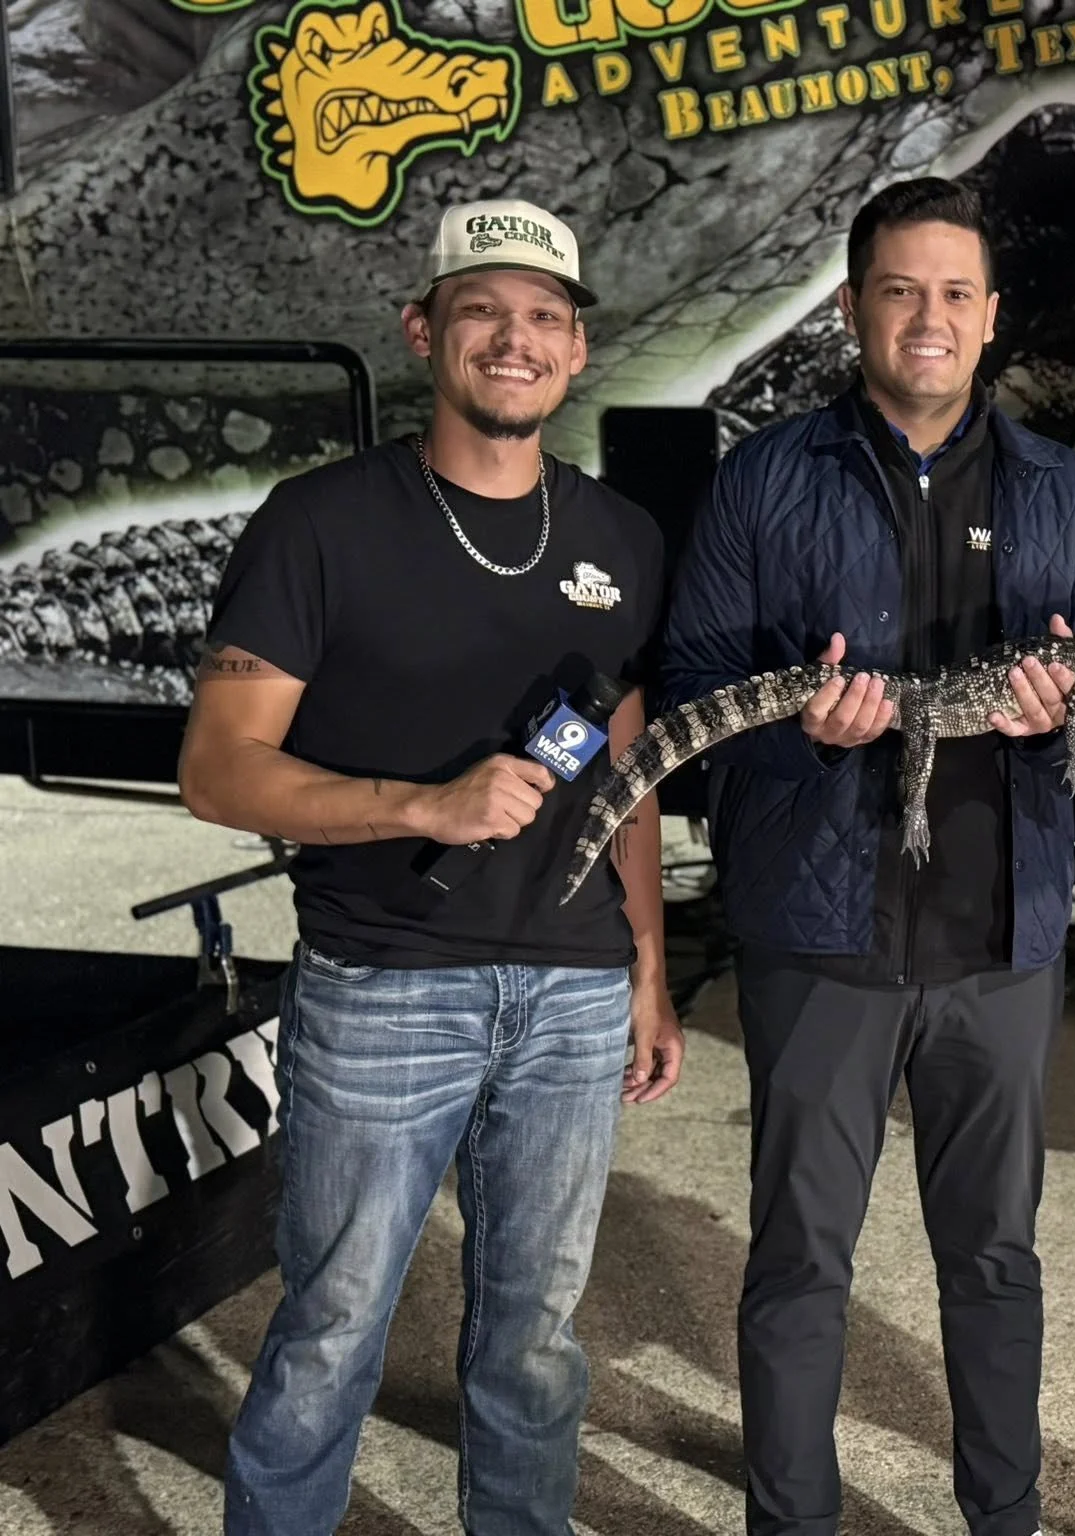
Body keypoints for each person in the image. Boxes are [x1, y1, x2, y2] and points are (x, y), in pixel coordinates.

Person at [179, 198, 684, 1536]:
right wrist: (427, 805)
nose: (513, 341)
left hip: (575, 996)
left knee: (535, 1342)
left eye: (543, 319)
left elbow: (624, 775)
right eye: (481, 313)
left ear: (577, 350)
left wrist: (646, 960)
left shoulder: (622, 540)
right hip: (387, 983)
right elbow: (219, 770)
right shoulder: (322, 523)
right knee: (334, 1325)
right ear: (424, 332)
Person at [662, 175, 1075, 1536]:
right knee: (800, 1260)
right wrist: (805, 733)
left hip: (1001, 938)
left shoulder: (1067, 495)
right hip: (817, 933)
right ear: (853, 308)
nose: (926, 319)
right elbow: (699, 684)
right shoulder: (765, 481)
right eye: (898, 291)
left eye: (953, 294)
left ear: (992, 318)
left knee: (994, 1259)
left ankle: (1004, 1518)